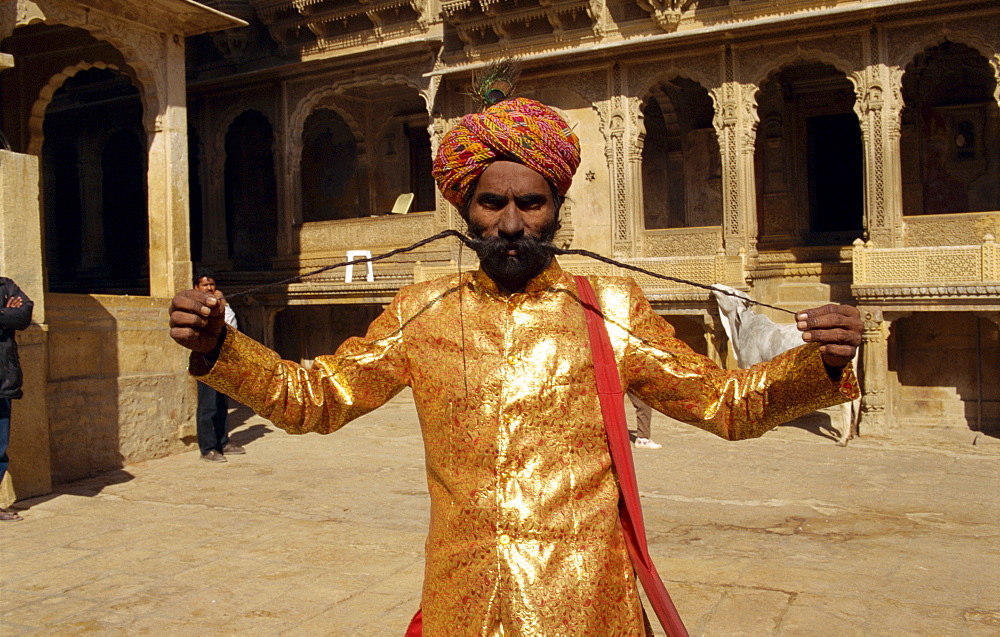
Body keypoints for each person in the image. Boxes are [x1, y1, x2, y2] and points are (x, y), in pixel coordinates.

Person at [169, 95, 861, 635]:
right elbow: (312, 398)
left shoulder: (607, 305)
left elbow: (725, 403)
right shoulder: (423, 308)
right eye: (491, 201)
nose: (509, 222)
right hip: (461, 605)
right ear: (465, 207)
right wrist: (218, 349)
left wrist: (818, 365)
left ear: (556, 206)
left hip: (585, 609)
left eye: (529, 202)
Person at [192, 269, 243, 462]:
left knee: (222, 403)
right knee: (208, 404)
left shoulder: (220, 304)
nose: (210, 288)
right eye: (205, 285)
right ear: (197, 287)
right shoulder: (196, 307)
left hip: (223, 359)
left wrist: (223, 302)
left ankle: (223, 442)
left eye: (212, 285)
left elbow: (231, 323)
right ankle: (207, 448)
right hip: (206, 358)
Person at [1, 277, 33, 522]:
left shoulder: (6, 286)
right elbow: (12, 316)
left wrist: (12, 315)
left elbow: (22, 318)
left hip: (2, 381)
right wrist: (5, 313)